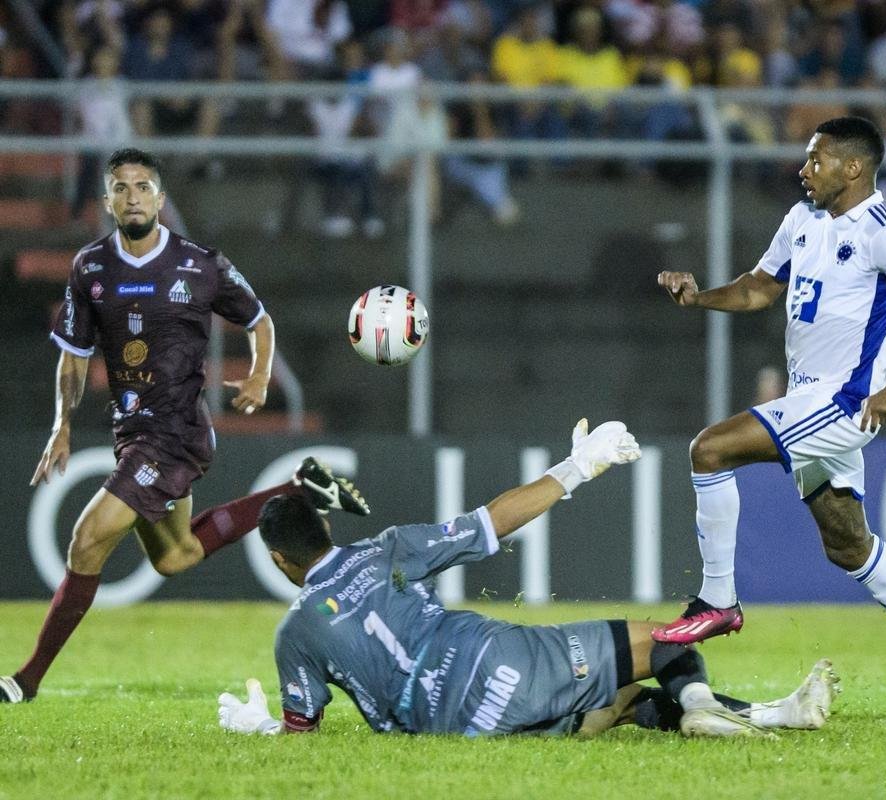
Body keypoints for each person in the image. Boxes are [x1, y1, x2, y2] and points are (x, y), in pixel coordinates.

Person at [0, 148, 369, 705]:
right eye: (121, 188)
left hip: (173, 434)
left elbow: (258, 319)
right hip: (132, 431)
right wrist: (62, 425)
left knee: (86, 540)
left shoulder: (201, 264)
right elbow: (74, 355)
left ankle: (24, 681)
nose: (132, 197)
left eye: (143, 187)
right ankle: (300, 487)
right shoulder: (90, 267)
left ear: (160, 198)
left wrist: (261, 375)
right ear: (107, 201)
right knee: (176, 558)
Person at [654, 116, 886, 727]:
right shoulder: (802, 219)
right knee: (846, 544)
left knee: (710, 450)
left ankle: (719, 600)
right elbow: (760, 289)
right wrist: (700, 297)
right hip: (809, 397)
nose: (804, 170)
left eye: (817, 160)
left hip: (844, 403)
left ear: (853, 168)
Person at [215, 418, 841, 739]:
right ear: (326, 529)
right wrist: (577, 467)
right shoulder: (385, 552)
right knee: (669, 638)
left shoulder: (295, 632)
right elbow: (488, 524)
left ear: (276, 559)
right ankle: (705, 704)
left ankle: (776, 714)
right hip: (498, 664)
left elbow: (301, 729)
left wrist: (260, 727)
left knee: (623, 704)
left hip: (460, 724)